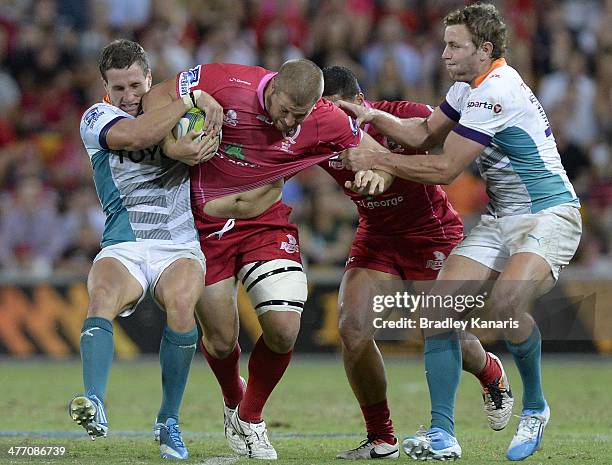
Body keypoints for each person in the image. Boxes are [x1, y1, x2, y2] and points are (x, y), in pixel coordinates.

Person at [340, 3, 582, 461]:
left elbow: (447, 168)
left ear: (484, 49)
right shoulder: (467, 87)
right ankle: (442, 435)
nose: (445, 52)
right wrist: (372, 116)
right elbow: (423, 133)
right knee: (435, 313)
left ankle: (534, 407)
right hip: (500, 218)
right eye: (445, 43)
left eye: (455, 45)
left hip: (548, 214)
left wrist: (378, 158)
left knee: (508, 305)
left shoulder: (498, 90)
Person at [145, 59, 391, 460]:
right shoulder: (224, 79)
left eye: (302, 114)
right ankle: (233, 401)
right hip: (204, 227)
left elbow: (379, 157)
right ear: (273, 88)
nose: (291, 122)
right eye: (286, 111)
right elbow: (157, 96)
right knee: (222, 340)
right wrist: (174, 146)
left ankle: (251, 417)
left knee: (283, 327)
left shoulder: (325, 118)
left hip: (266, 224)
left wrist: (379, 175)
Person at [321, 65, 513, 460]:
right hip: (377, 237)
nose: (328, 121)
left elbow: (435, 133)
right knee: (352, 329)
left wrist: (384, 168)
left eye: (336, 111)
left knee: (439, 330)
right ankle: (381, 437)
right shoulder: (316, 133)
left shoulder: (400, 114)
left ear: (360, 103)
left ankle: (489, 371)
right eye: (321, 113)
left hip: (431, 235)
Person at [70, 39, 222, 460]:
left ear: (149, 79)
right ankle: (94, 402)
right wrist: (190, 98)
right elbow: (136, 136)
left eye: (135, 85)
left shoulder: (177, 112)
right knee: (100, 296)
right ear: (106, 89)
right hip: (126, 244)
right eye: (118, 88)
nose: (129, 97)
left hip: (178, 244)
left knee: (180, 304)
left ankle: (168, 420)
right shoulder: (96, 118)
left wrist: (205, 134)